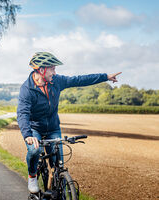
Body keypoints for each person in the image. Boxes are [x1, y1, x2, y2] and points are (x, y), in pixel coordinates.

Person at [17, 52, 121, 193]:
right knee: (34, 150)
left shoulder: (56, 81)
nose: (55, 72)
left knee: (58, 163)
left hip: (53, 128)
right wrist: (27, 135)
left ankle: (59, 188)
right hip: (35, 129)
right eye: (52, 68)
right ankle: (32, 175)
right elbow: (22, 113)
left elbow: (79, 80)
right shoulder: (27, 89)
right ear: (41, 70)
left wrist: (105, 77)